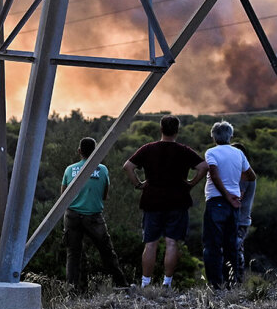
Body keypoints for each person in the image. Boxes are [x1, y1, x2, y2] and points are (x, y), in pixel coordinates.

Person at [123, 115, 208, 288]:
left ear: (161, 129)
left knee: (151, 243)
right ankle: (166, 283)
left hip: (152, 200)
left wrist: (138, 184)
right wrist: (191, 183)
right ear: (177, 130)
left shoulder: (148, 149)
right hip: (178, 200)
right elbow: (203, 167)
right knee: (171, 242)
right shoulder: (183, 150)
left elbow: (128, 166)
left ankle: (145, 283)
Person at [61, 137, 129, 290]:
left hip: (72, 216)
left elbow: (63, 197)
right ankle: (121, 284)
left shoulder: (69, 169)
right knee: (106, 251)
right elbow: (105, 196)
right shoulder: (103, 169)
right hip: (93, 218)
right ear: (95, 152)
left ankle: (71, 290)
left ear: (79, 151)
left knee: (73, 255)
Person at [202, 121, 256, 289]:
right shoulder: (239, 153)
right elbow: (251, 176)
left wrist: (227, 195)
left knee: (212, 245)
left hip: (217, 202)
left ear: (213, 136)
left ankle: (215, 284)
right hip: (233, 206)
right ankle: (231, 283)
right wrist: (237, 191)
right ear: (230, 135)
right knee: (231, 245)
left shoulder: (211, 152)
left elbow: (214, 175)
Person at [232, 142, 254, 281]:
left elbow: (237, 197)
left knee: (236, 250)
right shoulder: (246, 173)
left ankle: (236, 281)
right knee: (238, 250)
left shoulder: (243, 175)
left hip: (239, 219)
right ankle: (236, 281)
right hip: (243, 219)